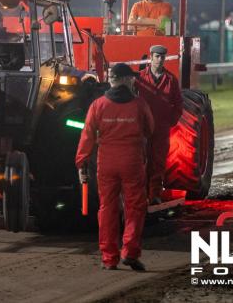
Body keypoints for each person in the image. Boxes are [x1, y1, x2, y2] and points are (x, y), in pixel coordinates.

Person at [75, 63, 154, 271]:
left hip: (106, 162)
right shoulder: (139, 104)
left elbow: (87, 136)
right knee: (135, 207)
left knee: (107, 209)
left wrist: (82, 162)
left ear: (111, 80)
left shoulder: (98, 105)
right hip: (132, 162)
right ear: (127, 80)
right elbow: (150, 129)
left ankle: (109, 258)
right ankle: (130, 252)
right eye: (132, 78)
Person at [137, 45, 183, 205]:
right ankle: (141, 194)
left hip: (161, 128)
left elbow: (178, 104)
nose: (159, 59)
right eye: (157, 56)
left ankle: (155, 195)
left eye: (162, 57)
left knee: (158, 162)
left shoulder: (171, 80)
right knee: (141, 161)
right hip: (143, 129)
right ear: (151, 57)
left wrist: (171, 121)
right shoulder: (139, 78)